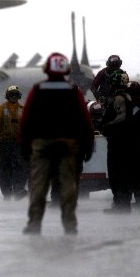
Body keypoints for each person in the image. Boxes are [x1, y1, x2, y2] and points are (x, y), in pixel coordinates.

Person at [20, 52, 94, 235]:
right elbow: (85, 119)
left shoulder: (38, 89)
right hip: (68, 143)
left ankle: (34, 223)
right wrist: (88, 144)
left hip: (42, 143)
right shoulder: (73, 90)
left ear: (47, 69)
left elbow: (26, 119)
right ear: (66, 69)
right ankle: (70, 224)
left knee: (38, 184)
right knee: (68, 184)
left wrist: (23, 144)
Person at [101, 69, 135, 213]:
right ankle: (123, 203)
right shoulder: (127, 96)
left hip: (118, 143)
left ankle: (121, 204)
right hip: (124, 142)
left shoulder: (119, 98)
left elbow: (121, 117)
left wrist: (104, 125)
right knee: (123, 173)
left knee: (117, 174)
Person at [0, 85, 28, 201]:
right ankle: (6, 193)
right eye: (11, 95)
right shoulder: (0, 109)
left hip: (18, 144)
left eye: (15, 95)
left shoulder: (23, 109)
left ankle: (18, 190)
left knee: (20, 167)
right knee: (5, 169)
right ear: (7, 96)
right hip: (4, 144)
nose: (13, 97)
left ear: (18, 96)